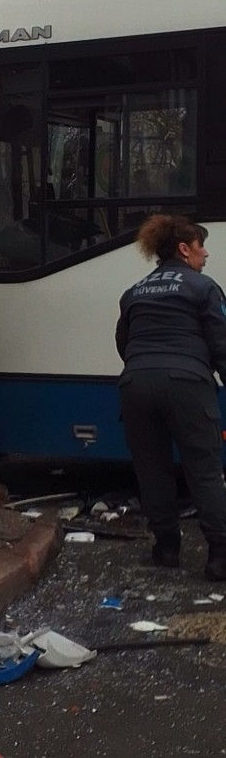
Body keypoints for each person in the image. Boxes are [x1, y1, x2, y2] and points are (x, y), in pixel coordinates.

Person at [115, 214, 226, 581]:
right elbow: (221, 344)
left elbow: (124, 343)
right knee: (205, 472)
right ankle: (219, 557)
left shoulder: (134, 291)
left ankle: (166, 548)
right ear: (184, 249)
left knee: (152, 470)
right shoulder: (202, 287)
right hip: (187, 383)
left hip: (136, 384)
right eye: (200, 247)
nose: (205, 254)